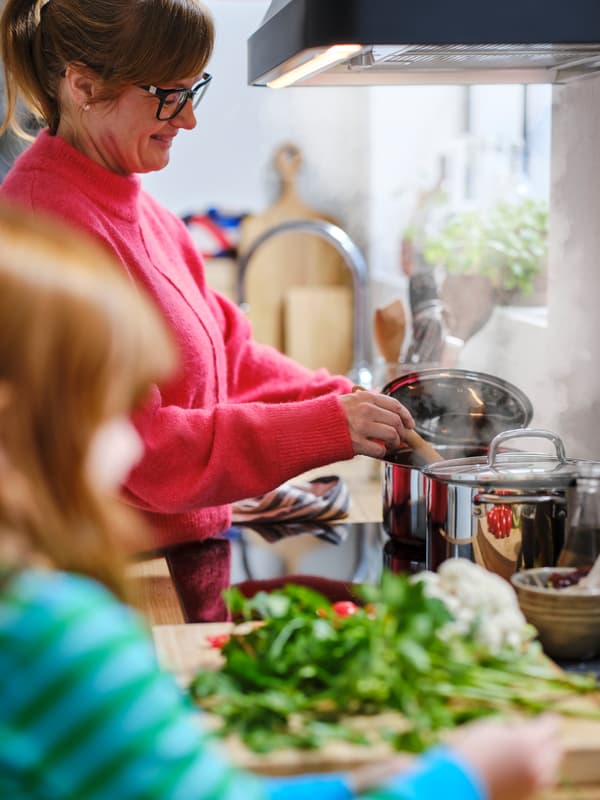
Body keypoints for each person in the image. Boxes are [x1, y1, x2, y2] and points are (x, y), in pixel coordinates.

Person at [0, 199, 563, 800]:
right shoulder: (56, 637)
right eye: (110, 411)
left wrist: (349, 785)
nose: (126, 441)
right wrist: (461, 778)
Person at [0, 0, 416, 621]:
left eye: (193, 89)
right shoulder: (45, 229)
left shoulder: (141, 209)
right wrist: (329, 425)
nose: (190, 117)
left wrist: (347, 404)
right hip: (110, 591)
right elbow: (143, 449)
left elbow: (229, 353)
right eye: (169, 94)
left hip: (175, 561)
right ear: (84, 85)